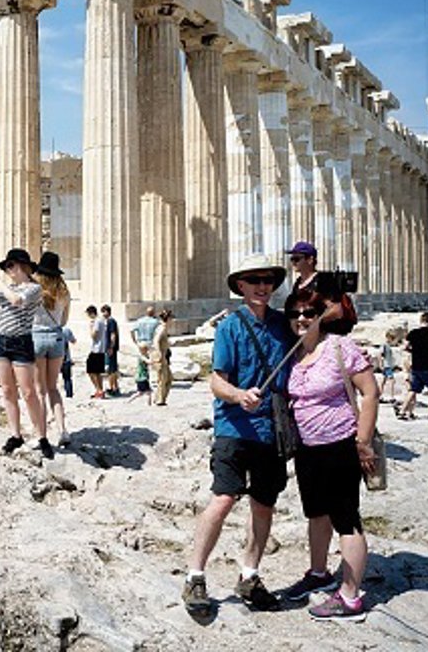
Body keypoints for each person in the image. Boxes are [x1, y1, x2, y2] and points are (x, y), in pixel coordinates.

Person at [182, 253, 294, 615]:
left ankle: (250, 574)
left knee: (264, 504)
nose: (262, 286)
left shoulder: (284, 325)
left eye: (268, 280)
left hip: (271, 430)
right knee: (224, 498)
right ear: (240, 286)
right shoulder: (230, 327)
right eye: (254, 280)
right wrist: (239, 395)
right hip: (235, 427)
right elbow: (217, 381)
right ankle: (195, 576)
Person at [280, 285, 378, 622]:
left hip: (341, 445)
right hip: (307, 448)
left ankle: (350, 597)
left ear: (320, 315)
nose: (302, 319)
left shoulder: (339, 347)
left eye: (309, 312)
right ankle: (319, 573)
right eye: (294, 313)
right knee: (317, 514)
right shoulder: (293, 353)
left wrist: (363, 441)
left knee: (346, 519)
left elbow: (370, 393)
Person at [0, 249, 52, 459]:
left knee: (29, 392)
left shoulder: (34, 288)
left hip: (22, 342)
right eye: (6, 267)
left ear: (22, 266)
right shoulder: (8, 288)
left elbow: (17, 301)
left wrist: (0, 283)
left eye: (10, 265)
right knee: (7, 390)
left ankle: (41, 436)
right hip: (0, 340)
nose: (7, 270)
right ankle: (15, 435)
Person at [31, 252, 71, 447]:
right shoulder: (64, 292)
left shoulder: (34, 291)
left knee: (39, 391)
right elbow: (64, 321)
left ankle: (42, 435)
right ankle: (62, 430)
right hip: (56, 337)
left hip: (36, 337)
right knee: (53, 388)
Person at [399, 312, 428, 421]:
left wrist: (414, 351)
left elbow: (405, 346)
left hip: (416, 364)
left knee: (413, 389)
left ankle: (402, 411)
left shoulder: (413, 332)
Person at [131, 305, 160, 389]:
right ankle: (151, 380)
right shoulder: (156, 322)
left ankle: (142, 380)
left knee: (142, 363)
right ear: (153, 313)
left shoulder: (140, 321)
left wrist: (135, 341)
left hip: (141, 343)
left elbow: (132, 330)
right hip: (150, 343)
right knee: (152, 363)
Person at [152, 309, 174, 406]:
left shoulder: (163, 328)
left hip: (164, 355)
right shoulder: (162, 328)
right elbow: (156, 341)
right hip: (160, 356)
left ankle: (159, 398)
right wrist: (159, 353)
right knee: (163, 378)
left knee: (168, 378)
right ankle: (160, 399)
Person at [85, 305, 107, 399]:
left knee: (92, 371)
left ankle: (99, 389)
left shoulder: (97, 322)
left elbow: (94, 335)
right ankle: (99, 390)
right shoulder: (101, 321)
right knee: (96, 372)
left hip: (96, 349)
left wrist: (90, 327)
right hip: (100, 349)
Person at [102, 305, 121, 396]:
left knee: (111, 369)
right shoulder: (110, 321)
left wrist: (111, 347)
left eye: (103, 312)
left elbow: (113, 335)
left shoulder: (111, 321)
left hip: (111, 349)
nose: (102, 314)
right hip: (111, 348)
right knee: (113, 368)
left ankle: (111, 388)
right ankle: (115, 387)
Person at [378, 330, 400, 405]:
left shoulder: (387, 345)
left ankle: (380, 396)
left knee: (383, 381)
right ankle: (392, 397)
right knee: (392, 381)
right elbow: (380, 355)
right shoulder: (384, 345)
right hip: (386, 366)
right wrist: (381, 364)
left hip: (387, 365)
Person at [60, 325, 76, 399]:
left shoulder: (51, 330)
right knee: (67, 378)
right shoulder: (66, 330)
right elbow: (73, 341)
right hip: (66, 358)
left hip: (53, 358)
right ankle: (69, 394)